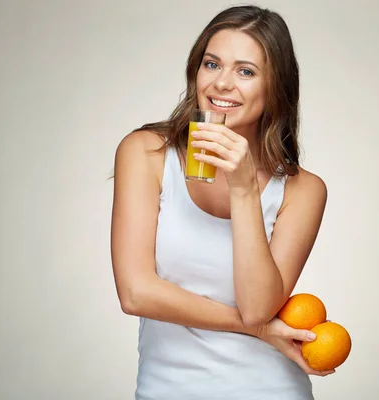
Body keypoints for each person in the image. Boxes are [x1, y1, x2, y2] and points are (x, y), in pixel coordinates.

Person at [110, 5, 332, 399]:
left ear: (275, 87)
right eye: (212, 64)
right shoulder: (146, 153)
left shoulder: (303, 190)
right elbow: (135, 293)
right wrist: (260, 331)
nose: (221, 84)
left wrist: (244, 188)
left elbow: (257, 307)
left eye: (245, 71)